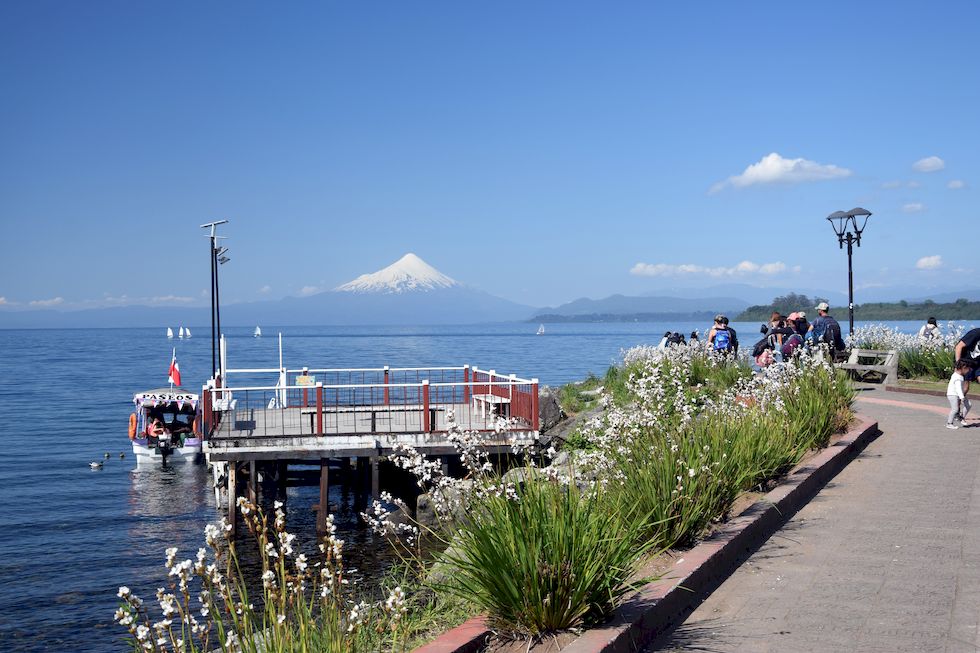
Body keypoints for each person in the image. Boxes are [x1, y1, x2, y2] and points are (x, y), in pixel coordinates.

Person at [947, 359, 973, 429]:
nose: (968, 371)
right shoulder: (958, 377)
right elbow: (958, 388)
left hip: (958, 394)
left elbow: (959, 389)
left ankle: (961, 417)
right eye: (968, 369)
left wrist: (961, 396)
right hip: (953, 394)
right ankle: (949, 423)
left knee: (968, 405)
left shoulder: (959, 375)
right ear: (963, 368)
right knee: (955, 409)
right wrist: (962, 397)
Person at [954, 328, 980, 394]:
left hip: (978, 362)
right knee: (965, 388)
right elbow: (959, 347)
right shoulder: (975, 333)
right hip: (966, 362)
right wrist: (958, 364)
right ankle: (957, 402)